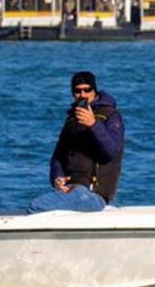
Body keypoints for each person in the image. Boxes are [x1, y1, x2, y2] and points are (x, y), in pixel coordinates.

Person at [27, 71, 125, 214]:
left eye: (87, 90)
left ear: (94, 90)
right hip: (72, 189)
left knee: (36, 206)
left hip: (94, 193)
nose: (82, 95)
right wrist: (57, 178)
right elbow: (58, 157)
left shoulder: (110, 116)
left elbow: (111, 151)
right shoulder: (72, 119)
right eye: (77, 91)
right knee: (41, 206)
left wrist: (93, 124)